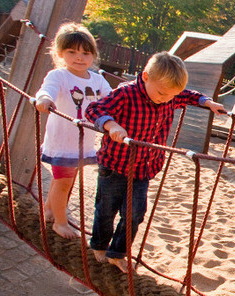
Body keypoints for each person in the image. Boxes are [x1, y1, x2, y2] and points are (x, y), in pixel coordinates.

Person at [85, 52, 226, 273]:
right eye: (162, 93)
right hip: (114, 165)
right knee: (106, 209)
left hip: (143, 168)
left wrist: (207, 102)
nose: (166, 99)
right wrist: (111, 125)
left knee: (135, 214)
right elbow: (94, 109)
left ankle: (117, 252)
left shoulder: (170, 95)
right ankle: (100, 245)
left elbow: (187, 95)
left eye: (172, 95)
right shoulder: (125, 93)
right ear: (146, 77)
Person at [34, 22, 112, 239]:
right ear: (60, 53)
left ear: (93, 56)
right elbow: (46, 90)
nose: (80, 57)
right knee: (63, 182)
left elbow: (111, 97)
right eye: (72, 52)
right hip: (62, 142)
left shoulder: (97, 79)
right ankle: (60, 222)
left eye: (86, 53)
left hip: (83, 143)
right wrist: (44, 99)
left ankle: (49, 209)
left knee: (66, 180)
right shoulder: (58, 76)